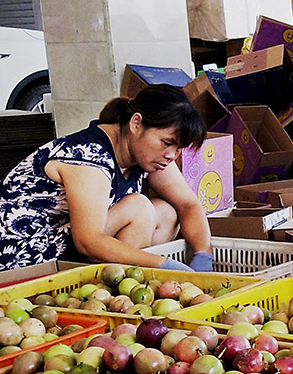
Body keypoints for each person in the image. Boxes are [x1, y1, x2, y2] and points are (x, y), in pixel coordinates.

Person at [0, 85, 214, 272]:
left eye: (178, 149)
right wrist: (163, 265)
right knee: (139, 208)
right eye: (167, 143)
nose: (171, 156)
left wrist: (203, 256)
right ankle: (118, 290)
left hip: (65, 241)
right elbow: (88, 241)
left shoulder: (149, 154)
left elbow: (188, 204)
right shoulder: (87, 156)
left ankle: (126, 285)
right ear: (136, 123)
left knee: (167, 214)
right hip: (23, 256)